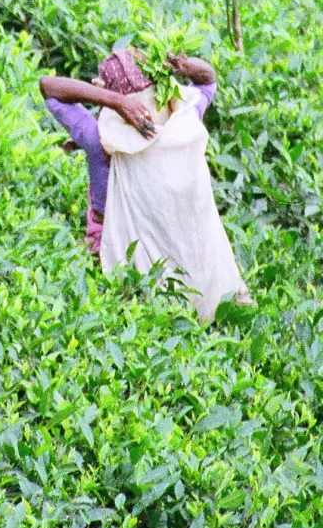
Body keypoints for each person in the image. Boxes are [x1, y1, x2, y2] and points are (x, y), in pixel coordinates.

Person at [41, 47, 250, 322]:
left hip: (116, 250)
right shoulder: (186, 120)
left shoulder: (100, 140)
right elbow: (208, 80)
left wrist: (113, 101)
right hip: (186, 242)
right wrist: (184, 66)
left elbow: (49, 86)